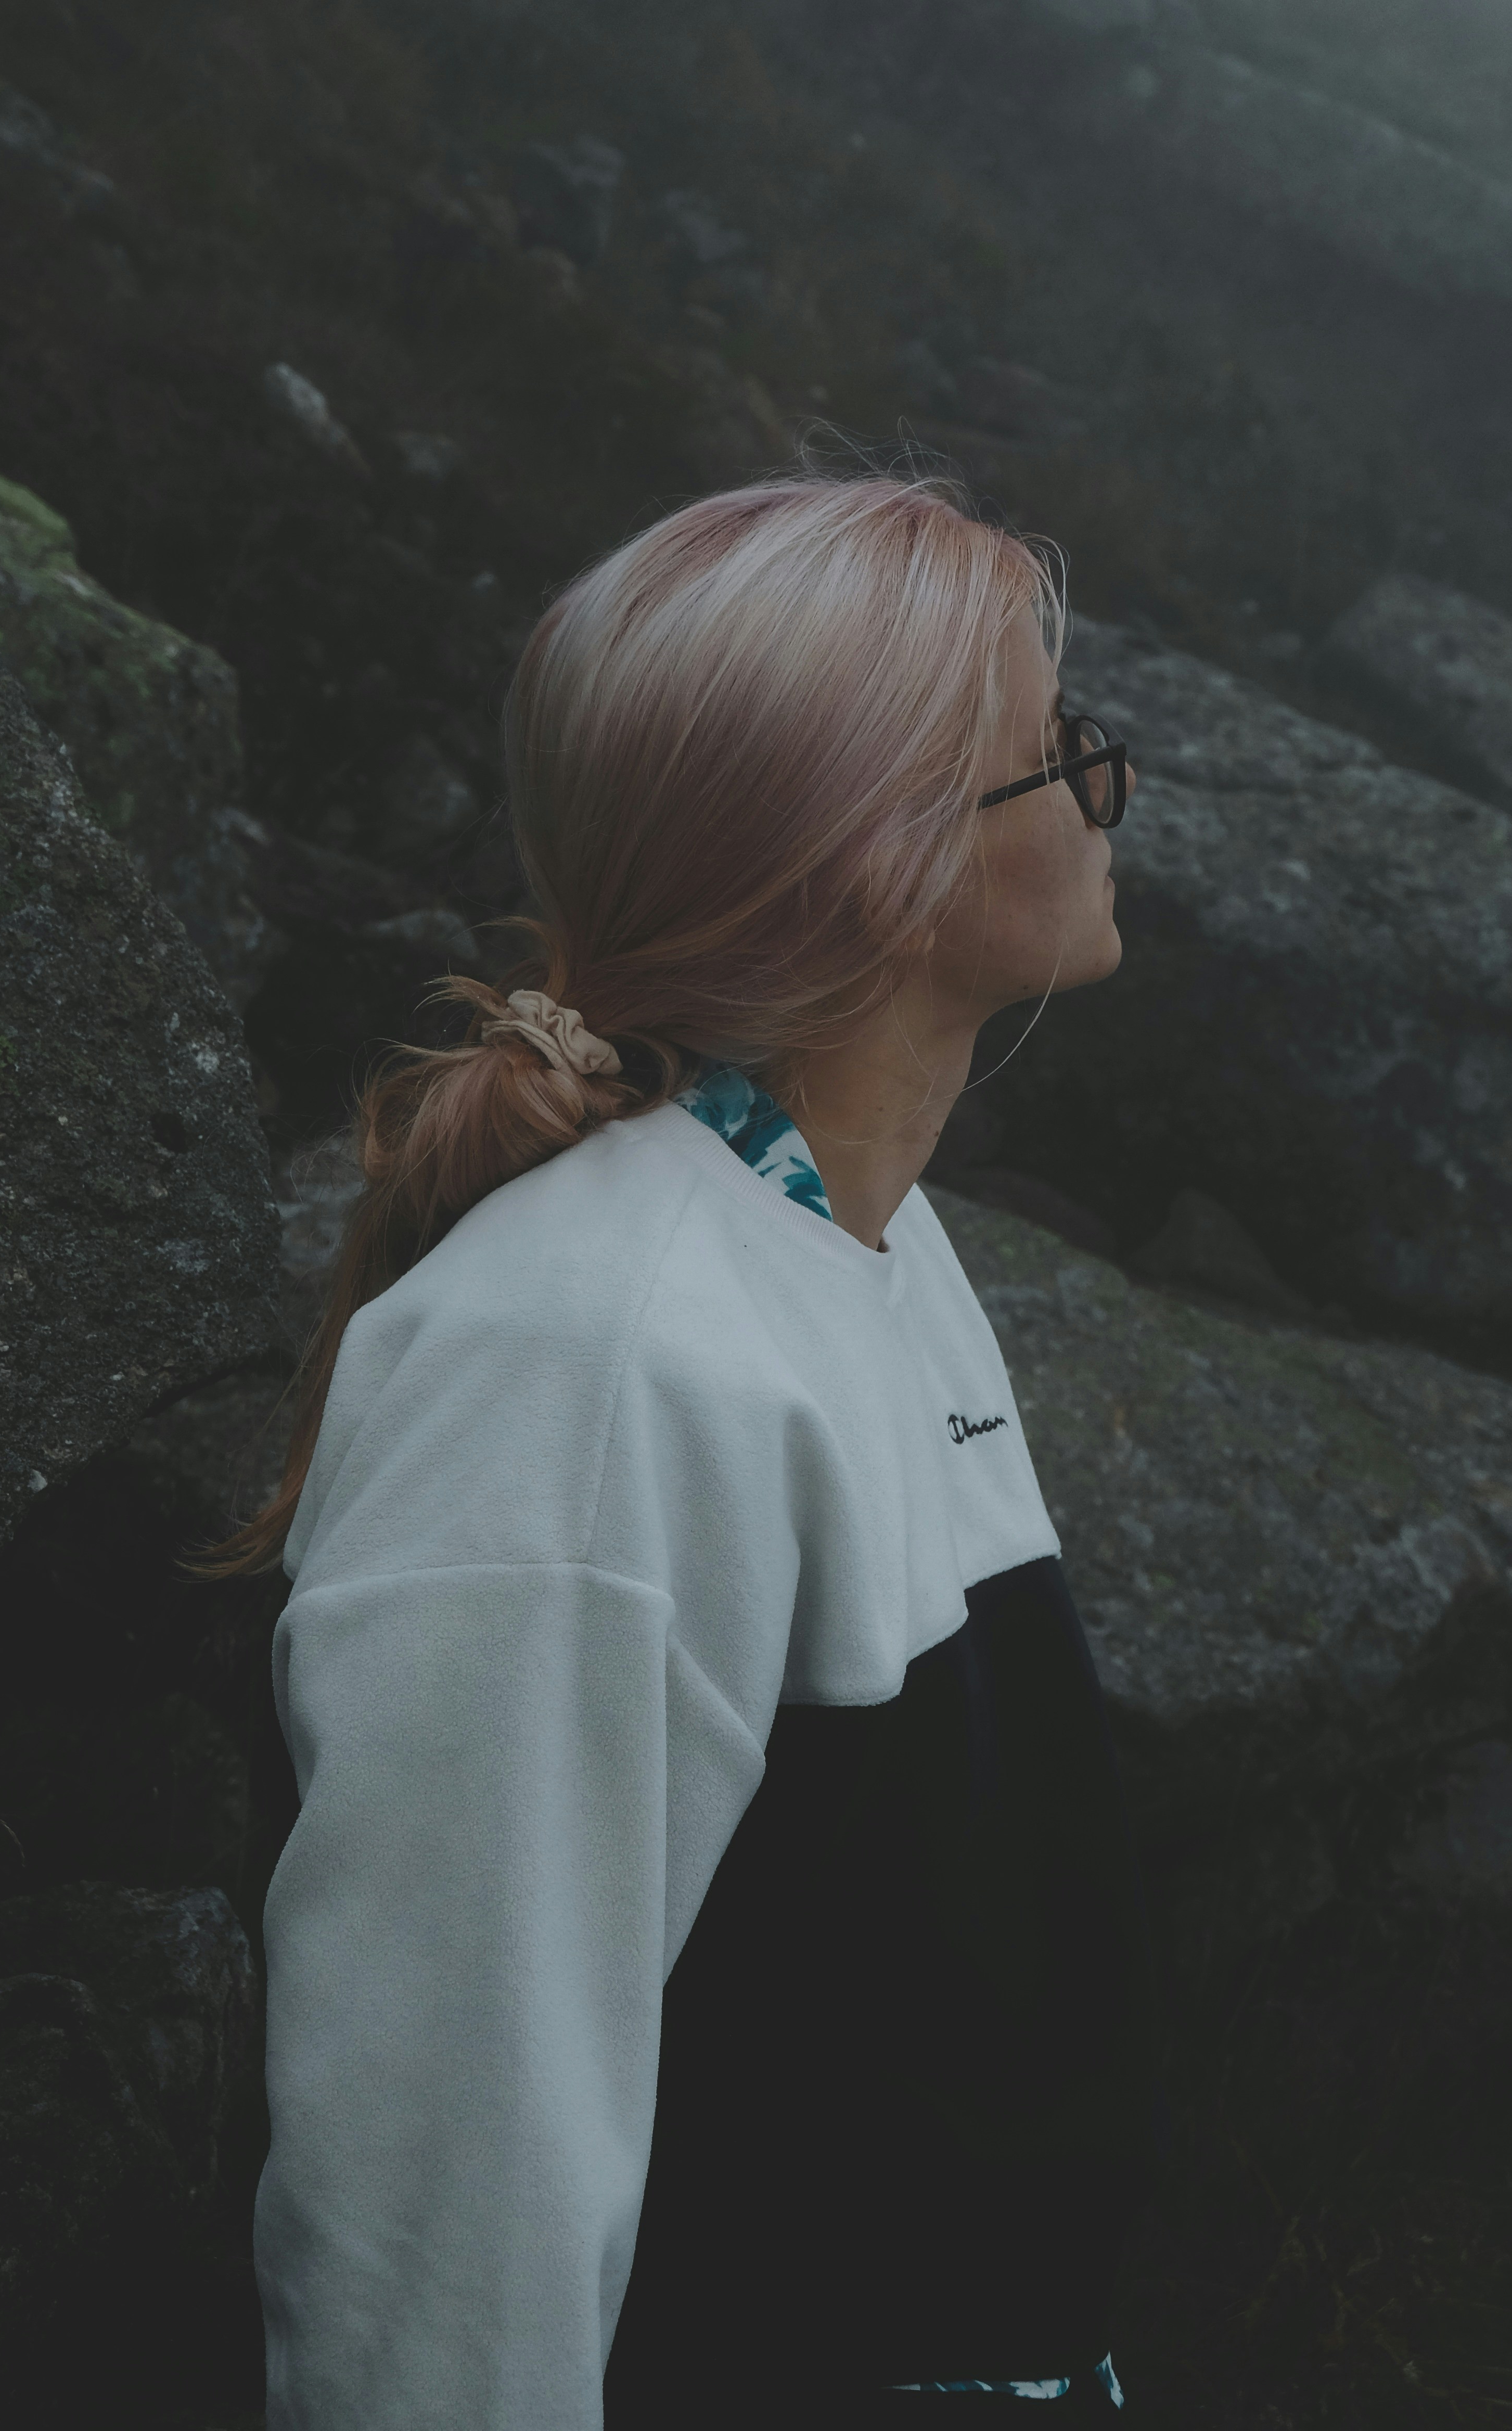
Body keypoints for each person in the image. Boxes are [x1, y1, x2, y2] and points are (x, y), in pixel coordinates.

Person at [208, 467, 1164, 2428]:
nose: (1102, 788)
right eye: (1057, 750)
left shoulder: (862, 1237)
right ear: (881, 865)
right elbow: (444, 2195)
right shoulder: (591, 1367)